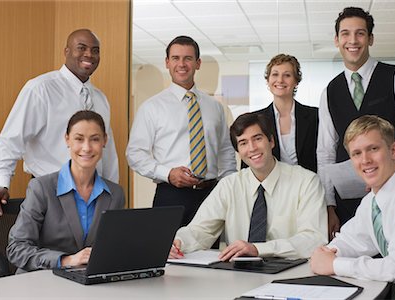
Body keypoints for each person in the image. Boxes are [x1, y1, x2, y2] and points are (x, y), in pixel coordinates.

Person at [317, 7, 395, 238]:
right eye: (345, 34)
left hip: (393, 193)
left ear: (370, 39)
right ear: (337, 40)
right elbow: (325, 153)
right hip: (346, 204)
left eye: (360, 33)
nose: (352, 40)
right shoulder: (329, 91)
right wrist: (329, 205)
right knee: (350, 266)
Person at [310, 115, 395, 299]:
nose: (365, 160)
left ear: (393, 150)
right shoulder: (372, 201)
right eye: (356, 153)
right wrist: (330, 252)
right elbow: (352, 240)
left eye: (373, 149)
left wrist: (335, 265)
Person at [0, 29, 119, 219]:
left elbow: (107, 153)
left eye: (95, 50)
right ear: (66, 51)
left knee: (90, 249)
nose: (89, 55)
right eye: (81, 48)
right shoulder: (40, 89)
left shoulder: (100, 99)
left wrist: (111, 195)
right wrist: (0, 183)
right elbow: (10, 141)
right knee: (52, 249)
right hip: (49, 194)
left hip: (93, 197)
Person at [169, 112, 327, 261]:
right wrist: (178, 242)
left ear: (271, 141)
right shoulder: (229, 185)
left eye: (257, 139)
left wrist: (259, 249)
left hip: (292, 272)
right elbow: (201, 230)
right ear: (238, 151)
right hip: (240, 275)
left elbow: (314, 239)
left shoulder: (307, 182)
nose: (252, 148)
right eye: (243, 143)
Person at [126, 35, 236, 227]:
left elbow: (226, 152)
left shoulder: (215, 107)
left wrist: (227, 189)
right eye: (176, 58)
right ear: (167, 63)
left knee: (208, 255)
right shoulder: (151, 107)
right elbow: (135, 154)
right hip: (170, 195)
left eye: (188, 58)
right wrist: (167, 173)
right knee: (167, 254)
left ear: (198, 63)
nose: (182, 64)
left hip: (210, 195)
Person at [7, 111, 124, 273]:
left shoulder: (115, 194)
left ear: (105, 140)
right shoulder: (41, 188)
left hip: (88, 285)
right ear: (67, 139)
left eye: (95, 139)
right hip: (42, 283)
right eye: (79, 139)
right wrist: (66, 260)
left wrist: (156, 247)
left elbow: (117, 246)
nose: (87, 147)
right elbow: (16, 248)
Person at [254, 54, 318, 172]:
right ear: (268, 81)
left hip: (308, 186)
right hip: (270, 186)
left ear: (296, 81)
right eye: (275, 74)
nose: (280, 80)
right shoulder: (256, 120)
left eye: (287, 75)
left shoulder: (315, 116)